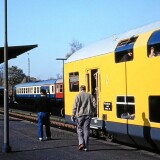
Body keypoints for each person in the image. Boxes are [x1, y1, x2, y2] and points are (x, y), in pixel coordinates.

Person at [71, 85, 97, 152]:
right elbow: (95, 105)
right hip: (88, 115)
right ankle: (86, 147)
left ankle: (81, 143)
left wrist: (72, 115)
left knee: (79, 129)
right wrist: (93, 111)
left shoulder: (77, 96)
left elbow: (74, 106)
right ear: (85, 89)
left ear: (80, 89)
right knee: (86, 130)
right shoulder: (90, 95)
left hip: (80, 115)